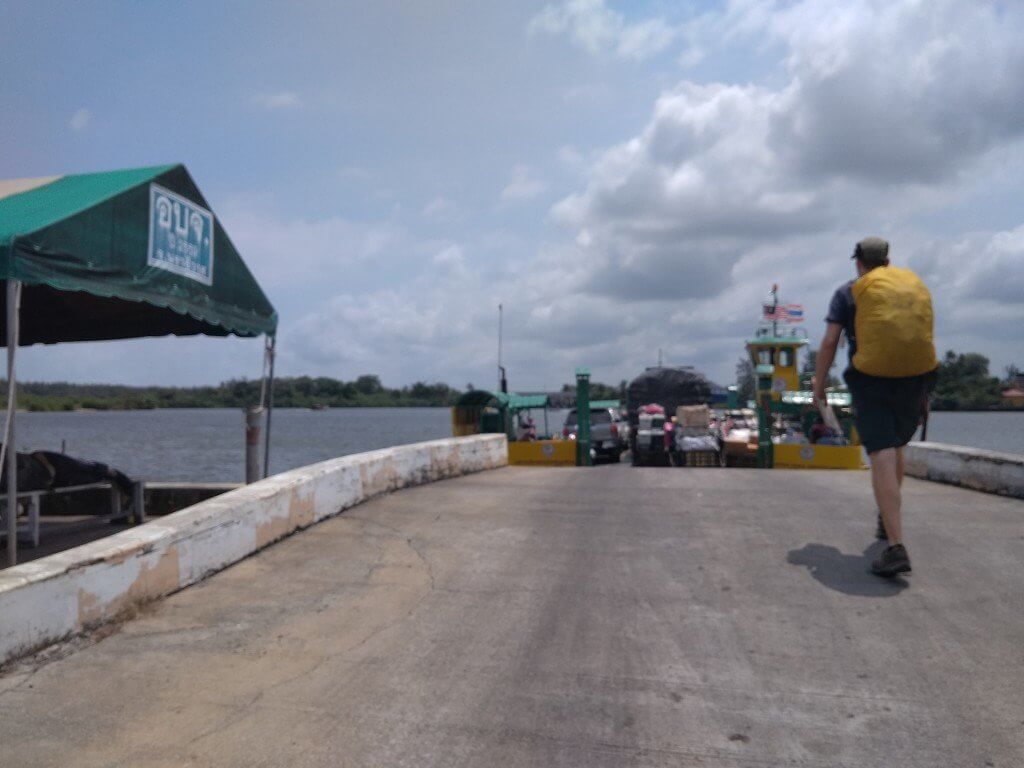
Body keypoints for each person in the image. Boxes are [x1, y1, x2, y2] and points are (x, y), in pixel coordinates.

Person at [813, 237, 938, 578]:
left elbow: (829, 341)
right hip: (915, 379)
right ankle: (888, 518)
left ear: (858, 262)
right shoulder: (908, 287)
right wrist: (924, 390)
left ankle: (896, 546)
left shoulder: (848, 293)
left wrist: (819, 384)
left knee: (880, 451)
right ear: (887, 260)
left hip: (872, 380)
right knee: (896, 446)